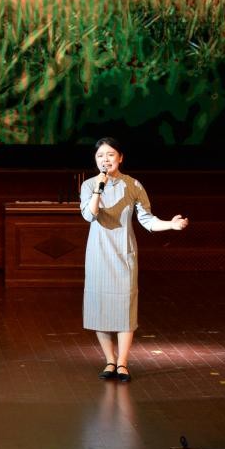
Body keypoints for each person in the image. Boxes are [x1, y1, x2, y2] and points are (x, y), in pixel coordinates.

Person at [79, 137, 187, 383]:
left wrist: (170, 224)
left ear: (120, 157)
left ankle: (123, 363)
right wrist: (99, 188)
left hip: (123, 253)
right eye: (100, 156)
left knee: (125, 308)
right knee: (99, 308)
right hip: (98, 254)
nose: (105, 159)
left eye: (110, 154)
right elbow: (89, 215)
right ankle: (109, 360)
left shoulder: (134, 185)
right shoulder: (89, 185)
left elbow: (147, 219)